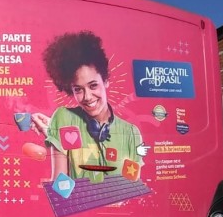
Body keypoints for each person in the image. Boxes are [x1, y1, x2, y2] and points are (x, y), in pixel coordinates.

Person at [31, 31, 147, 181]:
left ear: (105, 80)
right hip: (77, 204)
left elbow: (131, 188)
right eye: (78, 89)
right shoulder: (63, 117)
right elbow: (58, 184)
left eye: (93, 86)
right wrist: (54, 135)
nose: (87, 97)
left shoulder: (131, 133)